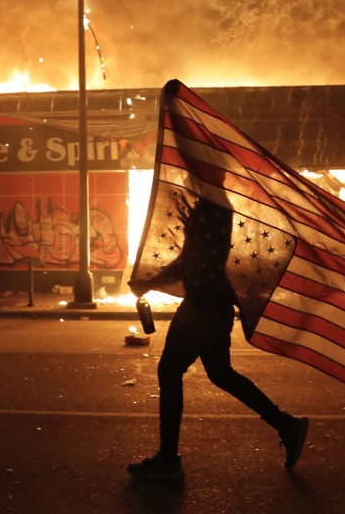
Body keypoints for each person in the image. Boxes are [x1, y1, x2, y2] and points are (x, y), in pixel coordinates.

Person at [127, 197, 309, 482]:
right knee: (220, 373)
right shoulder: (215, 204)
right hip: (212, 305)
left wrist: (149, 283)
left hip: (203, 307)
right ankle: (285, 425)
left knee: (171, 371)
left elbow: (191, 260)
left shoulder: (211, 206)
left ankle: (168, 460)